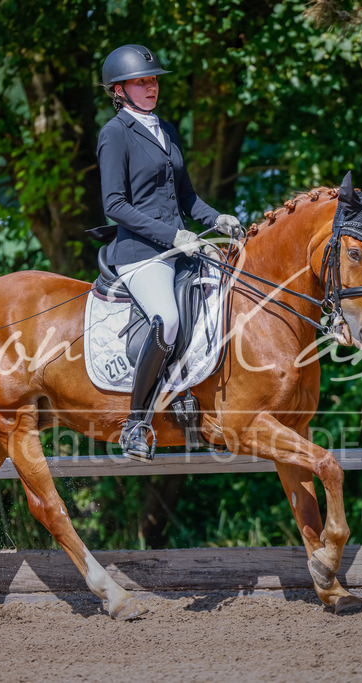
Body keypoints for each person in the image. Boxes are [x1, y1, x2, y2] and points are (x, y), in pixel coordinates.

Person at [98, 44, 242, 461]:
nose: (152, 86)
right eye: (142, 81)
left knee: (222, 303)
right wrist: (174, 235)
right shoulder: (115, 134)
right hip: (140, 253)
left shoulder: (168, 130)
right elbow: (115, 205)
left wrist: (217, 219)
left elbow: (188, 197)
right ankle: (135, 425)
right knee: (169, 318)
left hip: (180, 249)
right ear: (119, 90)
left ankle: (185, 394)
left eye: (154, 79)